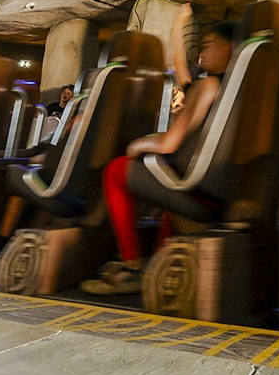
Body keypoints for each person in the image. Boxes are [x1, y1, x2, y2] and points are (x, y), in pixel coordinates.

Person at [80, 21, 236, 295]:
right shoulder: (236, 88)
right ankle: (155, 261)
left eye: (209, 45)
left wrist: (138, 145)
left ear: (230, 48)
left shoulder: (209, 84)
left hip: (194, 192)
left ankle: (131, 266)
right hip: (218, 194)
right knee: (161, 179)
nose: (203, 52)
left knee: (117, 170)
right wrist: (179, 29)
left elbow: (169, 143)